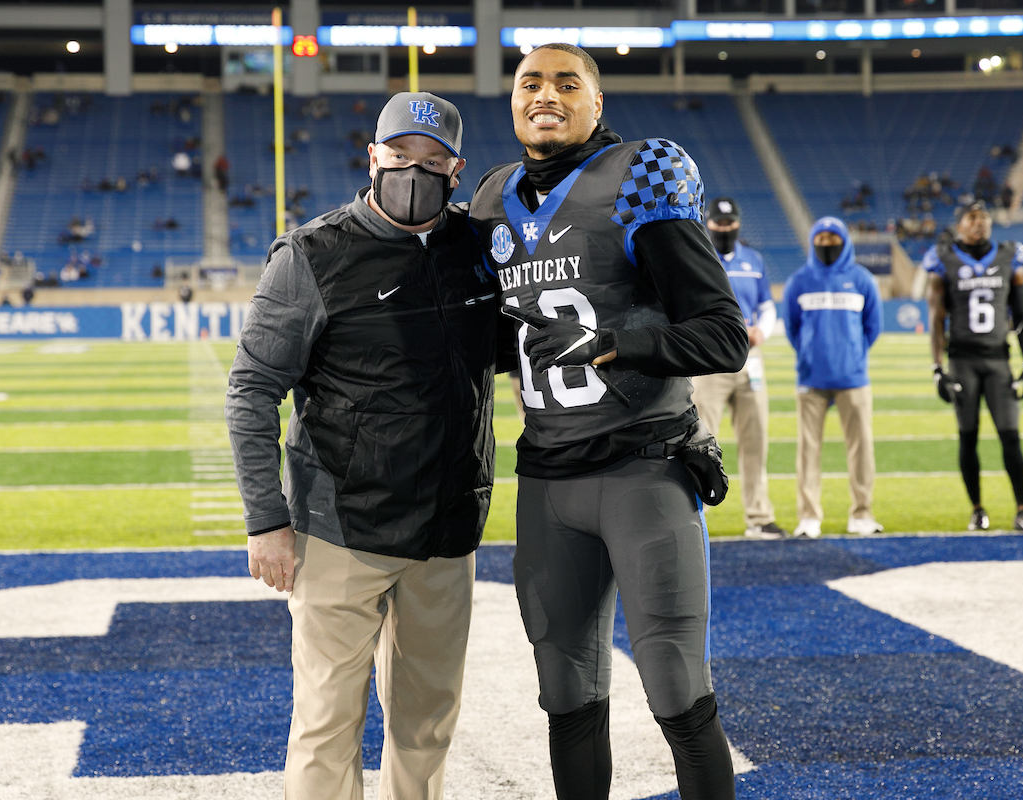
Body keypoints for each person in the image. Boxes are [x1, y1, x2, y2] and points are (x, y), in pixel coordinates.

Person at [470, 43, 748, 800]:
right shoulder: (492, 199)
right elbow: (490, 341)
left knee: (677, 691)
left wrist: (618, 343)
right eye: (531, 82)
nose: (546, 94)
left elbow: (723, 334)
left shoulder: (639, 175)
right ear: (513, 101)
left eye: (568, 81)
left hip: (644, 471)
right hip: (548, 482)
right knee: (566, 698)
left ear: (597, 103)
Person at [226, 92, 509, 800]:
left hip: (446, 527)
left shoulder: (475, 249)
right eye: (401, 155)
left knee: (428, 720)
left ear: (456, 169)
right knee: (327, 720)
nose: (415, 169)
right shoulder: (314, 254)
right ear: (373, 156)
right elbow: (253, 389)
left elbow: (501, 358)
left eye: (433, 160)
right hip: (341, 528)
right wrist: (267, 519)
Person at [923, 202, 1023, 534]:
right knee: (968, 437)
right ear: (959, 225)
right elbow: (936, 318)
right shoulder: (943, 258)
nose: (980, 224)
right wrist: (937, 367)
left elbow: (1022, 315)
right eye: (972, 218)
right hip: (962, 360)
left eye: (985, 218)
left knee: (1011, 436)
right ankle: (977, 510)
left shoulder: (1009, 255)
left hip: (998, 359)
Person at [783, 216, 883, 538]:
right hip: (811, 380)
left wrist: (851, 356)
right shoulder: (799, 280)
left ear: (844, 240)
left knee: (861, 449)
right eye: (821, 238)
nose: (827, 243)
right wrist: (811, 355)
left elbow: (873, 327)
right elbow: (792, 328)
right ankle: (809, 517)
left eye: (832, 237)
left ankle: (862, 515)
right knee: (808, 450)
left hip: (853, 379)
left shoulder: (862, 279)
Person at [691, 197, 783, 539]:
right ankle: (695, 519)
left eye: (730, 224)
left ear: (738, 224)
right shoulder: (697, 254)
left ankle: (759, 517)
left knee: (755, 441)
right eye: (719, 223)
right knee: (700, 442)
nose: (725, 229)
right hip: (710, 364)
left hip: (749, 362)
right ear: (708, 223)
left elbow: (766, 306)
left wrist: (763, 330)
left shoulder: (754, 260)